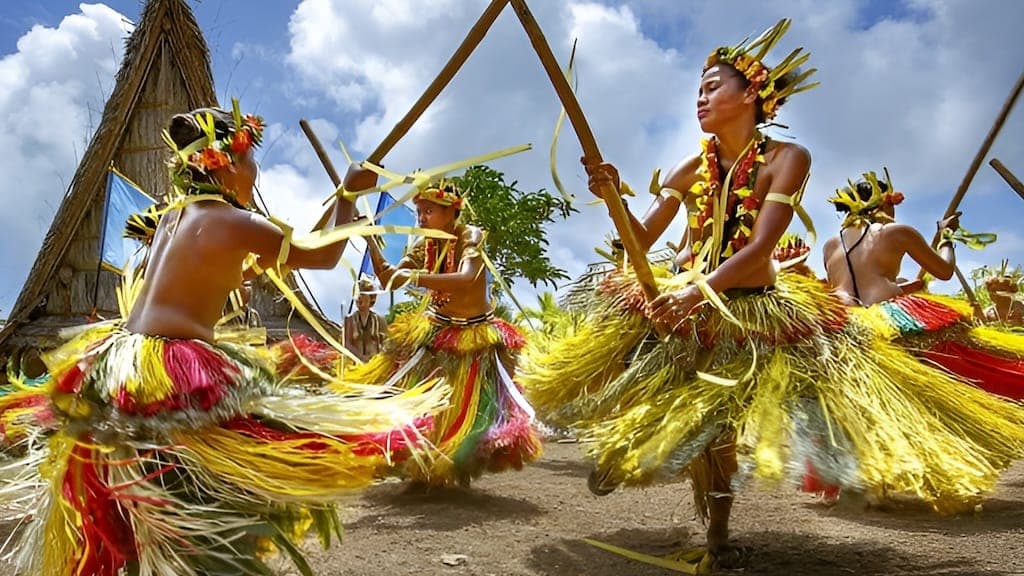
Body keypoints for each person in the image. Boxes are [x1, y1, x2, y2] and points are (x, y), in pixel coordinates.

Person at [518, 19, 1024, 573]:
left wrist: (698, 296)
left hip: (754, 310)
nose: (701, 97)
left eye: (713, 86)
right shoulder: (692, 167)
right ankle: (625, 449)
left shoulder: (788, 158)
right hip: (688, 296)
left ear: (753, 94)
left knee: (724, 424)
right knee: (641, 368)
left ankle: (718, 533)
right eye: (698, 89)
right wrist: (613, 195)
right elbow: (641, 239)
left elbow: (762, 249)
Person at [0, 102, 443, 575]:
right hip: (173, 373)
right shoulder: (235, 222)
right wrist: (351, 196)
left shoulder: (174, 218)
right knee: (204, 506)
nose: (256, 172)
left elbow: (241, 263)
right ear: (225, 163)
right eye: (252, 160)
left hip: (121, 364)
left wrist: (327, 209)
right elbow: (326, 257)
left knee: (150, 501)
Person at [345, 179, 542, 488]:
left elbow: (465, 278)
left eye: (428, 211)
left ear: (451, 213)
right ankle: (419, 463)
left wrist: (415, 276)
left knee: (465, 408)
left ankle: (453, 464)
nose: (421, 218)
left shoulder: (470, 236)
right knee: (419, 398)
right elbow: (391, 280)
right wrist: (369, 238)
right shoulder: (424, 245)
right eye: (419, 212)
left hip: (474, 334)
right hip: (437, 329)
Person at [823, 173, 1024, 402]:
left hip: (842, 325)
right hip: (886, 322)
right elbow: (945, 271)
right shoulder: (896, 232)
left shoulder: (830, 245)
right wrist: (947, 237)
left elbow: (857, 284)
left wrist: (908, 287)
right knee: (974, 359)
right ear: (886, 203)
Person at [344, 278, 388, 362]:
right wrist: (361, 357)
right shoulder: (349, 320)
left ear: (371, 298)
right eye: (357, 294)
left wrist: (379, 359)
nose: (359, 297)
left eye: (363, 294)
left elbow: (386, 343)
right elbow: (347, 344)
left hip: (375, 365)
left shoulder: (380, 320)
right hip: (355, 367)